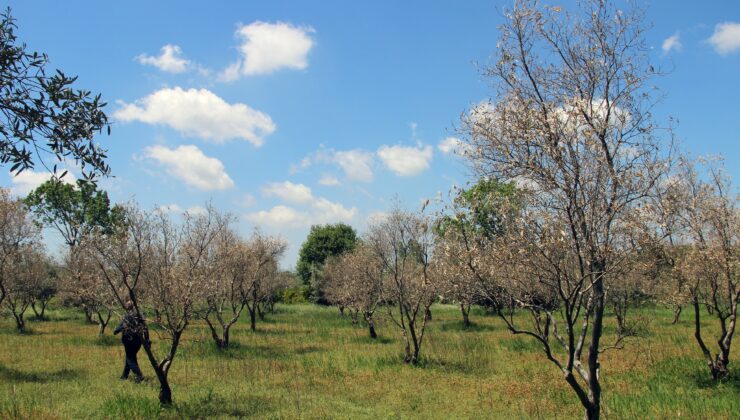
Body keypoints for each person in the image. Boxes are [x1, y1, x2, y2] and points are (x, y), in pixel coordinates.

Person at [113, 301, 144, 382]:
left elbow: (116, 330)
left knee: (130, 359)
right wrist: (147, 341)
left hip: (129, 342)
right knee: (131, 357)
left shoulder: (127, 317)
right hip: (138, 342)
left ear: (126, 307)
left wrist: (117, 330)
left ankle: (139, 375)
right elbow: (145, 329)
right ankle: (124, 376)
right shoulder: (140, 316)